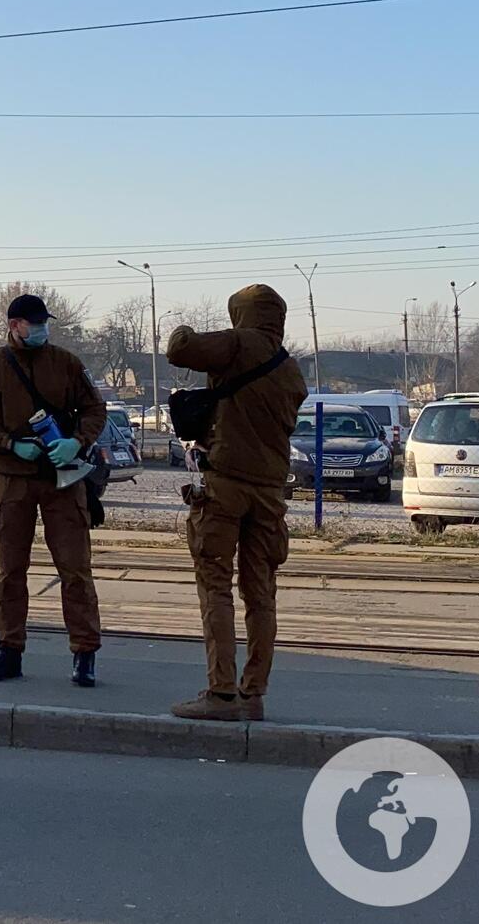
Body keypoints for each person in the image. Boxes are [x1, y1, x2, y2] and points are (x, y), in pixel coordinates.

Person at [164, 284, 308, 721]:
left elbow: (179, 348)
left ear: (240, 315)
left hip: (224, 488)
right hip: (269, 493)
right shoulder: (291, 371)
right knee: (261, 595)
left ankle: (221, 693)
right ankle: (254, 694)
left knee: (215, 587)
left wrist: (186, 323)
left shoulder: (238, 344)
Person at [0, 294, 108, 687]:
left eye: (44, 322)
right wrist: (9, 443)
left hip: (64, 480)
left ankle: (85, 655)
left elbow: (95, 410)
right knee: (11, 573)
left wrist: (77, 441)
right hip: (12, 480)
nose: (41, 329)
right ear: (14, 325)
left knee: (76, 571)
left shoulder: (66, 363)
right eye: (34, 323)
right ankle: (9, 652)